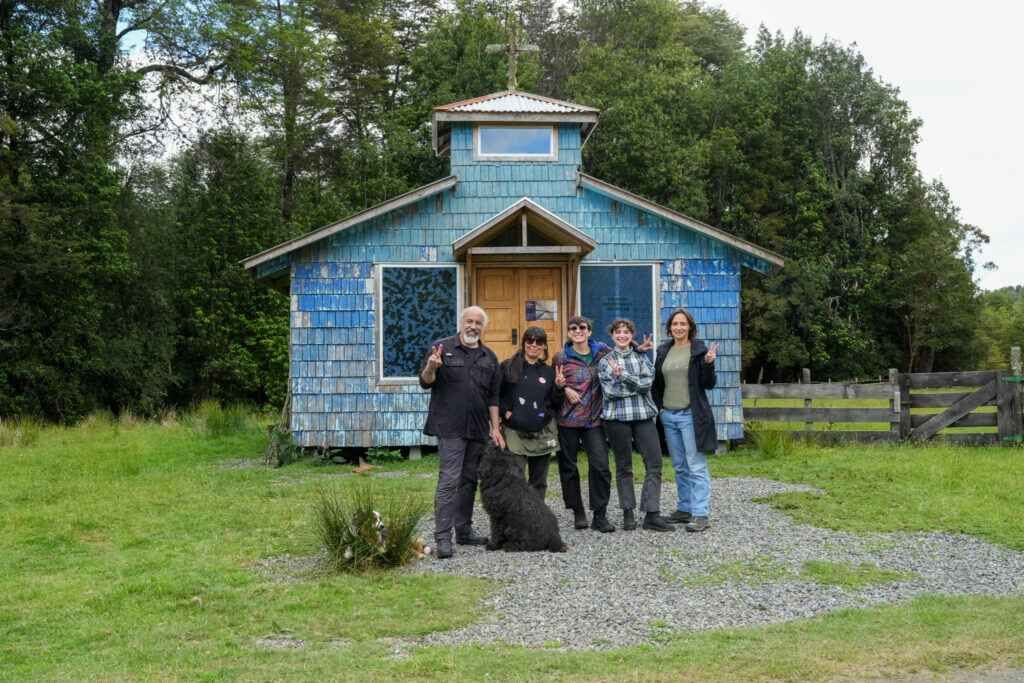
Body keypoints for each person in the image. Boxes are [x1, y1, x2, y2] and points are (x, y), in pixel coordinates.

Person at [420, 305, 505, 559]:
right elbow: (425, 382)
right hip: (450, 427)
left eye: (478, 322)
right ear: (461, 322)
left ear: (483, 327)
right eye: (469, 321)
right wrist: (432, 367)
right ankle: (443, 538)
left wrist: (496, 428)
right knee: (449, 480)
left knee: (469, 480)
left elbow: (494, 397)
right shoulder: (441, 348)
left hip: (478, 429)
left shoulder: (489, 357)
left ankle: (464, 531)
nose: (473, 326)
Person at [598, 318, 674, 532]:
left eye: (626, 332)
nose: (622, 335)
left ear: (632, 336)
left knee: (655, 463)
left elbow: (647, 384)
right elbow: (610, 392)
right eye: (618, 332)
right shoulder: (605, 361)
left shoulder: (641, 357)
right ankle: (628, 512)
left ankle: (652, 513)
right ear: (612, 336)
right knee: (624, 467)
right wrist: (634, 383)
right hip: (617, 420)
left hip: (643, 417)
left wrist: (622, 376)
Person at [652, 308, 718, 533]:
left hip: (690, 415)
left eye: (683, 324)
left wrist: (709, 363)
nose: (678, 327)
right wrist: (659, 409)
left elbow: (708, 384)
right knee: (680, 466)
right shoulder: (663, 351)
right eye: (675, 324)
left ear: (690, 327)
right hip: (668, 415)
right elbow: (657, 383)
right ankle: (684, 508)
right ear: (669, 328)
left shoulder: (699, 351)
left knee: (696, 465)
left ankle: (700, 514)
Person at [552, 316, 616, 533]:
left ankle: (600, 514)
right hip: (567, 420)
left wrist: (638, 346)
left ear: (589, 331)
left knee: (600, 466)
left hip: (594, 421)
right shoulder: (561, 357)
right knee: (569, 468)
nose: (578, 331)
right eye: (573, 328)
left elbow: (623, 346)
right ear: (568, 333)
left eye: (582, 327)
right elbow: (554, 387)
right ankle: (577, 510)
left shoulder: (602, 352)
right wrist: (563, 388)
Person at [498, 327, 564, 497]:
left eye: (539, 342)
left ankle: (537, 519)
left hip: (542, 432)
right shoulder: (507, 367)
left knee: (539, 482)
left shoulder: (549, 372)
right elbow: (497, 395)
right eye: (530, 341)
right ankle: (517, 520)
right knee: (515, 479)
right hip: (514, 432)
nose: (534, 345)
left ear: (544, 346)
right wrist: (505, 412)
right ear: (524, 343)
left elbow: (556, 403)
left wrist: (558, 387)